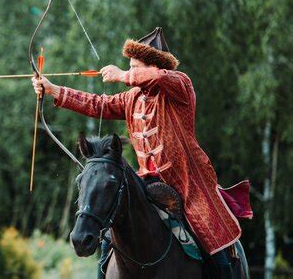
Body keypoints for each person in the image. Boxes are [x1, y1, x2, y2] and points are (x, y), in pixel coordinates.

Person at [32, 27, 249, 278]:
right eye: (130, 66)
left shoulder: (180, 87)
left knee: (215, 243)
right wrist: (53, 90)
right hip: (146, 183)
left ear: (155, 66)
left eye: (136, 66)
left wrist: (123, 75)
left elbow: (161, 78)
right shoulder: (132, 98)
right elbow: (97, 103)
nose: (132, 71)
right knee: (112, 230)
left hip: (189, 186)